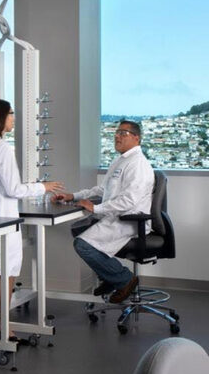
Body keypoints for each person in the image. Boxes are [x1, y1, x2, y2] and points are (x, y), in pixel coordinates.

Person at [0, 99, 63, 341]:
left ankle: (0, 327)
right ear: (0, 118)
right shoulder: (2, 148)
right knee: (1, 272)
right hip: (2, 215)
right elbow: (13, 189)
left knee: (3, 271)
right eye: (11, 114)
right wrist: (41, 187)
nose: (13, 118)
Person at [51, 119, 154, 304]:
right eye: (116, 132)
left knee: (82, 244)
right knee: (77, 229)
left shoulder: (138, 164)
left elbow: (129, 200)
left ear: (137, 138)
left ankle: (124, 279)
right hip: (116, 216)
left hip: (129, 221)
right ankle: (109, 277)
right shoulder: (121, 161)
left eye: (123, 133)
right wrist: (73, 196)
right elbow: (102, 190)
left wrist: (96, 208)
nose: (116, 136)